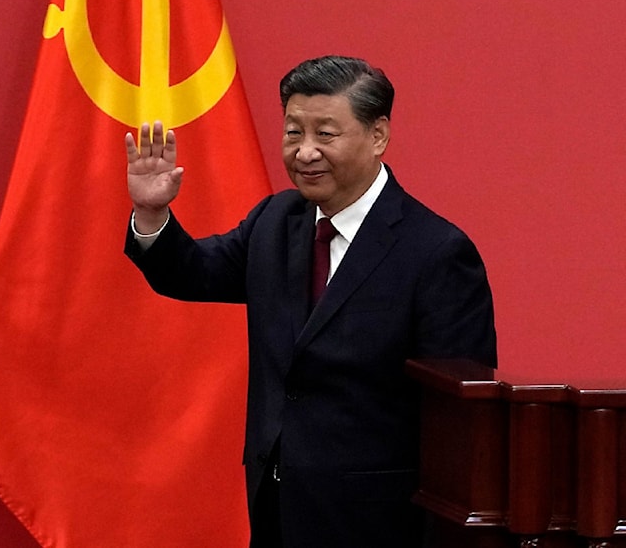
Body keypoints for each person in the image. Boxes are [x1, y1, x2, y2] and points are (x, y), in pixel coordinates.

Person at [124, 55, 497, 548]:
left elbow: (460, 423)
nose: (304, 152)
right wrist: (152, 213)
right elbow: (193, 272)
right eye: (294, 132)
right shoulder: (276, 221)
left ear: (378, 136)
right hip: (277, 507)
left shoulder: (437, 253)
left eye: (326, 134)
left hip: (379, 523)